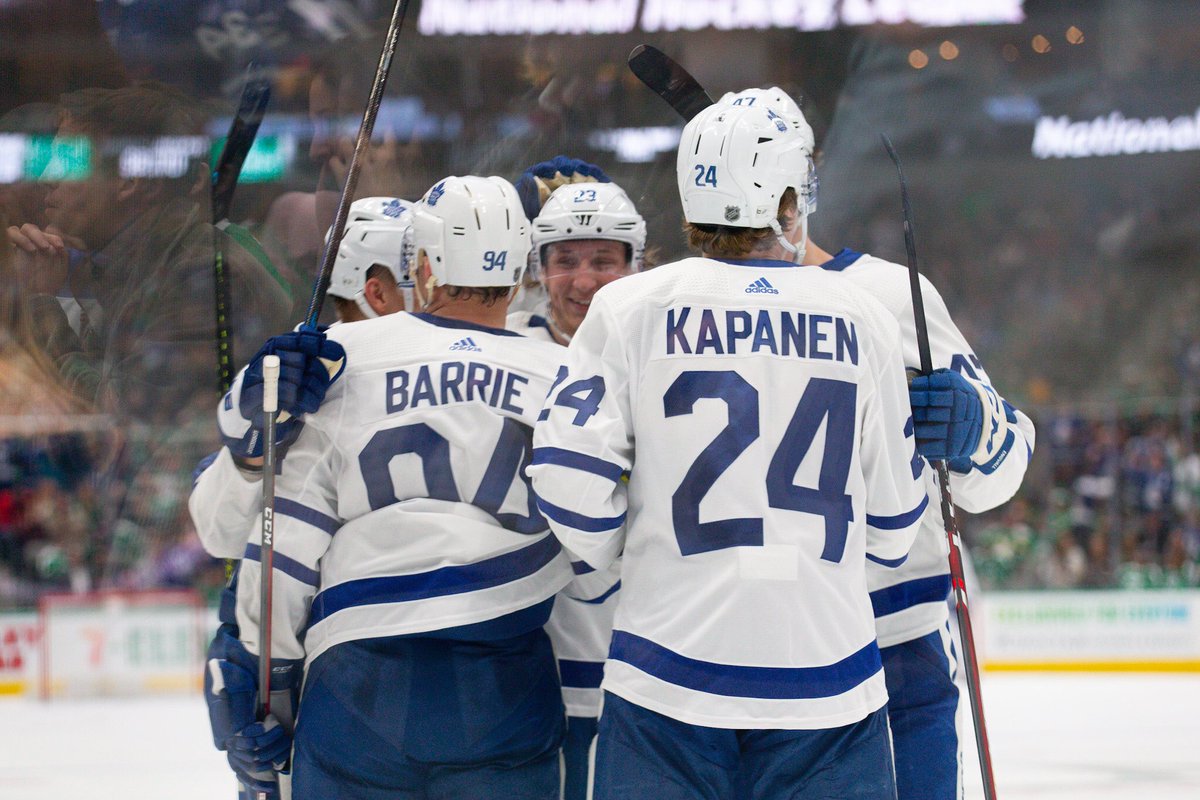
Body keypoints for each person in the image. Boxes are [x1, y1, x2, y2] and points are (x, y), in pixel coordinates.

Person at [529, 102, 926, 799]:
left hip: (664, 678)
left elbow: (566, 478)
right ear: (787, 197)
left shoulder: (630, 308)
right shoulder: (864, 315)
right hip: (828, 683)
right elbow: (893, 534)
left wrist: (633, 549)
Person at [213, 175, 576, 799]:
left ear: (426, 266)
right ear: (521, 273)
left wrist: (258, 670)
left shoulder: (340, 357)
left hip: (360, 685)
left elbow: (290, 537)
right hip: (505, 682)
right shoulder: (569, 374)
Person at [720, 86, 1036, 800]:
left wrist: (977, 429)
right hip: (749, 654)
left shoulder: (892, 296)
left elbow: (1003, 468)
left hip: (894, 644)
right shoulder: (685, 308)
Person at [509, 176, 646, 800]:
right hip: (534, 676)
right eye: (564, 260)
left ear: (635, 264)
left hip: (642, 673)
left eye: (603, 260)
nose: (584, 281)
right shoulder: (506, 352)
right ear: (537, 269)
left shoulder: (666, 351)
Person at [189, 196, 414, 561]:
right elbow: (219, 535)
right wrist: (252, 454)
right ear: (378, 293)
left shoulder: (448, 359)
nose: (437, 293)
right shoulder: (289, 374)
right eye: (420, 277)